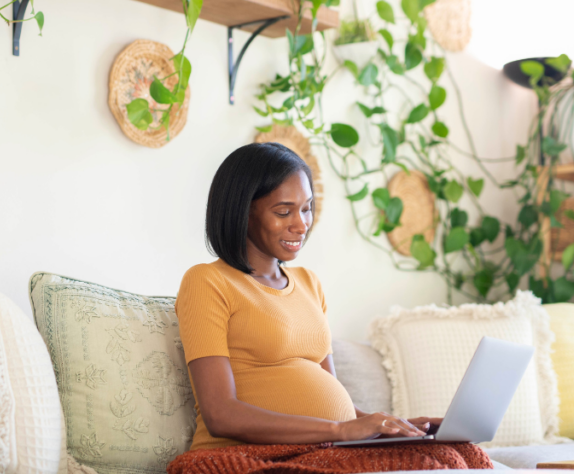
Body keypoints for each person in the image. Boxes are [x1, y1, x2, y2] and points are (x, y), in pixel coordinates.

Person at [173, 143, 492, 474]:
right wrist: (339, 431)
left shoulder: (309, 283)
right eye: (284, 211)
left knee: (457, 453)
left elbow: (340, 407)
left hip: (323, 446)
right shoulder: (207, 282)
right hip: (250, 457)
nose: (301, 224)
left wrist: (400, 427)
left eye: (307, 208)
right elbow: (220, 414)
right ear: (242, 211)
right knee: (427, 466)